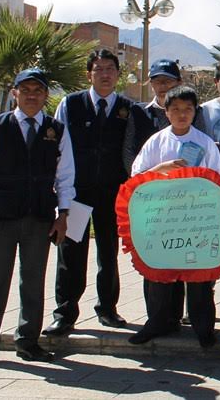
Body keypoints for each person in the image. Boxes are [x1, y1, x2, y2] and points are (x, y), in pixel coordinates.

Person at [0, 69, 76, 371]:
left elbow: (65, 177)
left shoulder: (56, 129)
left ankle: (28, 341)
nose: (31, 95)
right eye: (25, 89)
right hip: (1, 216)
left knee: (33, 282)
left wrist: (62, 215)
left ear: (45, 95)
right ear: (14, 93)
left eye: (37, 90)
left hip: (39, 217)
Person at [129, 85, 220, 348]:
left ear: (195, 112)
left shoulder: (205, 143)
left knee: (198, 276)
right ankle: (157, 322)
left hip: (196, 222)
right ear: (166, 112)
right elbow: (136, 177)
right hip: (162, 221)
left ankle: (203, 327)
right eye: (175, 109)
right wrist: (161, 170)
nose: (182, 114)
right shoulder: (156, 141)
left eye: (188, 109)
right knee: (159, 273)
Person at [45, 49, 132, 338]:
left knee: (108, 252)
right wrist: (58, 190)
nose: (105, 74)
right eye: (99, 69)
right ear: (89, 74)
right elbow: (56, 147)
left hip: (112, 192)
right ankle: (65, 313)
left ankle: (107, 308)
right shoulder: (71, 104)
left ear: (118, 74)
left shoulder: (127, 108)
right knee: (70, 253)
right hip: (78, 192)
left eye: (110, 68)